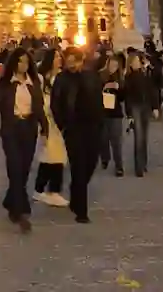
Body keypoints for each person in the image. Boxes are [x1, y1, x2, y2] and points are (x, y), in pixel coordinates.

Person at [0, 47, 47, 232]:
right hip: (11, 129)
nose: (23, 65)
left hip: (28, 128)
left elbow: (39, 106)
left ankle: (10, 200)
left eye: (26, 62)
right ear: (14, 63)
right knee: (15, 166)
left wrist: (45, 127)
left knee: (24, 168)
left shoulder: (33, 82)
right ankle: (20, 211)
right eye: (20, 61)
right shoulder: (6, 83)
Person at [51, 47, 103, 223]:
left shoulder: (91, 76)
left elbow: (99, 99)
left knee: (91, 164)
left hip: (93, 127)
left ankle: (76, 190)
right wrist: (63, 125)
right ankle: (81, 211)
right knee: (78, 167)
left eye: (75, 61)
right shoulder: (62, 79)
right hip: (74, 128)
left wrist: (101, 121)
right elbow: (56, 104)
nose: (72, 64)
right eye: (69, 61)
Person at [33, 48, 68, 206]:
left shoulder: (61, 76)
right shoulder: (41, 78)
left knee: (58, 156)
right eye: (56, 57)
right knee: (50, 155)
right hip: (47, 120)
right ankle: (46, 189)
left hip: (59, 120)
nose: (59, 59)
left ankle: (50, 189)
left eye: (60, 56)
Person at [123, 52, 159, 177]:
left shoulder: (145, 75)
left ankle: (143, 163)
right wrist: (129, 115)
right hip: (135, 107)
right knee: (139, 137)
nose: (137, 63)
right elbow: (127, 97)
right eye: (134, 61)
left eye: (138, 61)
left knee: (144, 137)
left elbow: (152, 90)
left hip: (146, 106)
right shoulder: (128, 78)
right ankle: (139, 167)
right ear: (130, 64)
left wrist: (155, 107)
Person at [99, 54, 125, 176]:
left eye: (116, 65)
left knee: (116, 141)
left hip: (115, 113)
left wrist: (119, 88)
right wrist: (105, 87)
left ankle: (119, 166)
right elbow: (94, 92)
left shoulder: (120, 78)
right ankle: (105, 158)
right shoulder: (100, 75)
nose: (113, 67)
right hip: (103, 112)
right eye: (111, 64)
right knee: (103, 139)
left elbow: (123, 97)